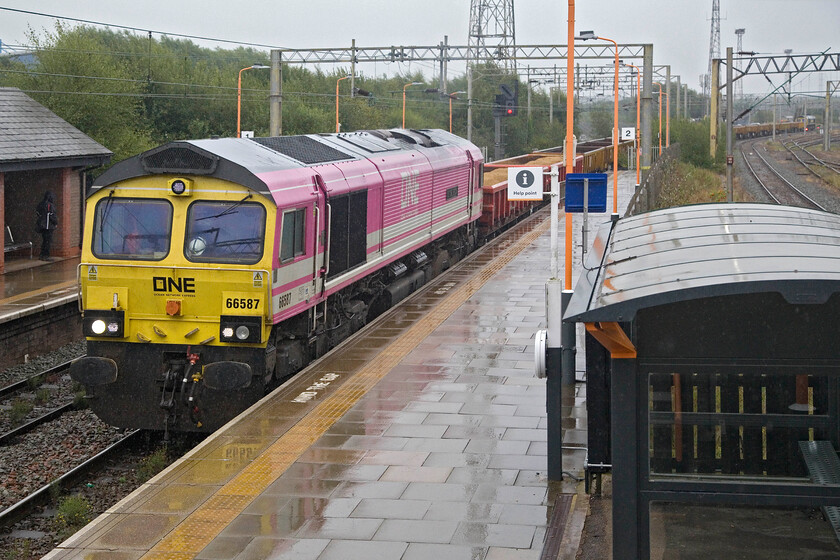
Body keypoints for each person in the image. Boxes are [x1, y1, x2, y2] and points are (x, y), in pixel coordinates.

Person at [36, 190, 58, 261]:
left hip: (42, 226)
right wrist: (55, 223)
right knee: (48, 241)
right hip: (48, 226)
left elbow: (38, 212)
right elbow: (51, 215)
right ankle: (46, 255)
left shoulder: (41, 204)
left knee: (45, 240)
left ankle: (42, 255)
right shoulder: (49, 205)